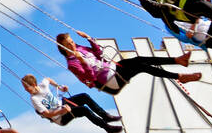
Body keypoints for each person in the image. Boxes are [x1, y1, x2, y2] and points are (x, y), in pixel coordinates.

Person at [57, 30, 199, 95]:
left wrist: (89, 39)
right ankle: (180, 74)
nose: (73, 46)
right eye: (69, 45)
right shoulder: (72, 64)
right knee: (140, 65)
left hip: (114, 68)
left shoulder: (81, 48)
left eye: (72, 42)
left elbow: (99, 53)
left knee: (140, 61)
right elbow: (90, 79)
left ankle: (178, 61)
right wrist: (82, 61)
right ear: (63, 48)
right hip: (109, 80)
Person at [21, 74, 123, 133]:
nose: (26, 90)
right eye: (25, 88)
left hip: (62, 104)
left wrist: (60, 87)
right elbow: (47, 114)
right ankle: (107, 127)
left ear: (34, 84)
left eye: (27, 87)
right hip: (60, 117)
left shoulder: (43, 85)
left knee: (84, 96)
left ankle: (106, 116)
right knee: (84, 109)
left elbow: (47, 79)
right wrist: (62, 111)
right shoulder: (34, 99)